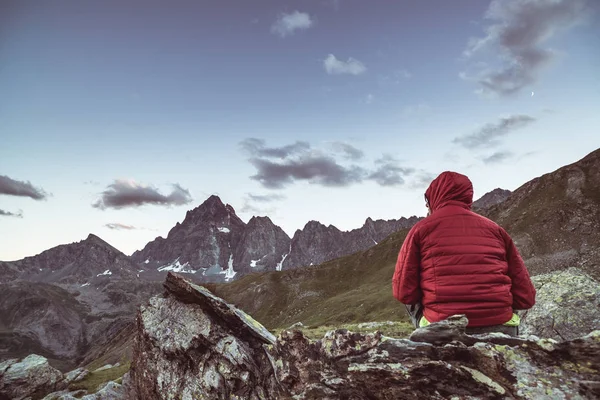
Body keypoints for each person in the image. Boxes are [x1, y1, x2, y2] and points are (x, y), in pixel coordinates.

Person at [392, 171, 536, 336]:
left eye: (427, 201)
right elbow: (526, 297)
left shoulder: (420, 230)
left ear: (435, 198)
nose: (427, 206)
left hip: (443, 329)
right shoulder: (496, 230)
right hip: (501, 329)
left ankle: (428, 336)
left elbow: (403, 293)